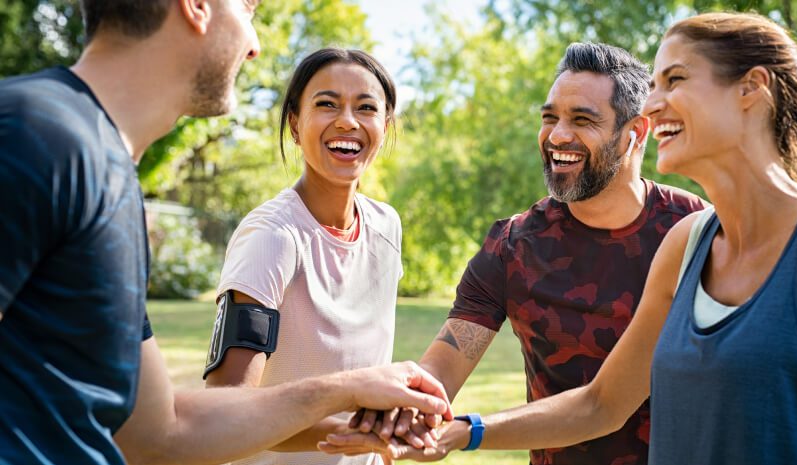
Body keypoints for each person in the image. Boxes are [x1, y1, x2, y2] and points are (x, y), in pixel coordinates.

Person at [323, 12, 797, 465]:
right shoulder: (675, 245)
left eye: (675, 80)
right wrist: (432, 422)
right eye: (549, 115)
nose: (657, 104)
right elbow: (598, 404)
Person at [0, 2, 450, 465]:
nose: (254, 47)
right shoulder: (34, 136)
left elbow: (164, 433)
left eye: (366, 107)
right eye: (247, 7)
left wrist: (355, 396)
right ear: (196, 6)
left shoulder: (110, 178)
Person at [342, 42, 706, 465]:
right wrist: (402, 413)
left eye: (582, 120)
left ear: (636, 133)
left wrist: (468, 431)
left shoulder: (696, 230)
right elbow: (441, 371)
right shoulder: (513, 247)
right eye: (550, 117)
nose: (557, 135)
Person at [202, 47, 418, 465]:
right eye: (327, 104)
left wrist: (381, 436)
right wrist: (364, 433)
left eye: (366, 107)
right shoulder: (271, 237)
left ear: (385, 126)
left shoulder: (386, 226)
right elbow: (227, 412)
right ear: (296, 125)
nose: (348, 121)